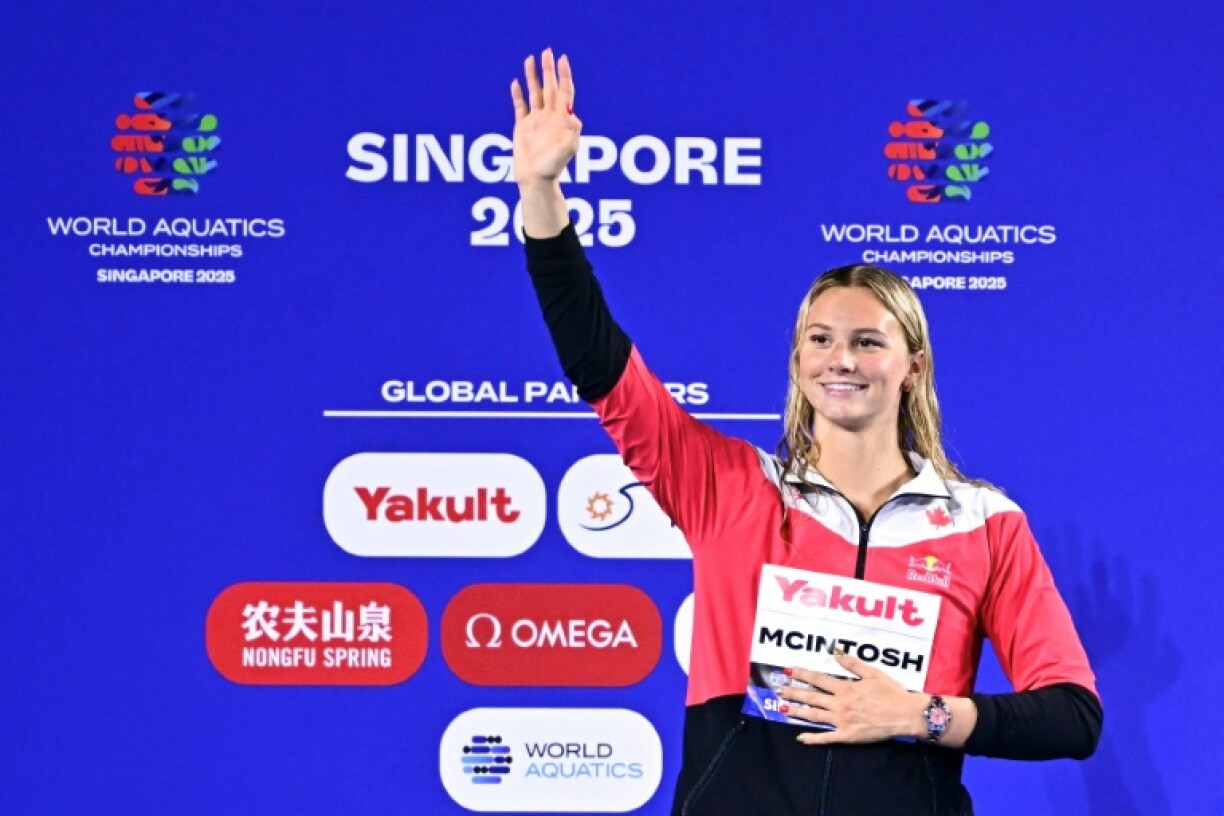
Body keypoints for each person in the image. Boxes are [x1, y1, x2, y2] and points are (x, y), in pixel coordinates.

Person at [510, 49, 1102, 816]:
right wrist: (540, 190)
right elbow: (597, 359)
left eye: (867, 341)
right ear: (798, 363)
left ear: (913, 367)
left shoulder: (984, 524)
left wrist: (918, 715)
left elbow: (1072, 714)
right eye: (820, 340)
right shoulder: (727, 485)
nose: (840, 360)